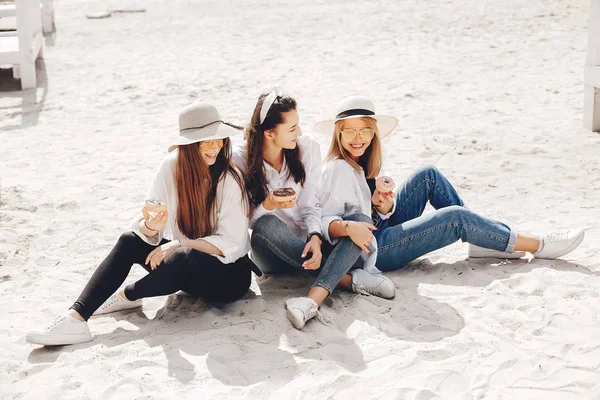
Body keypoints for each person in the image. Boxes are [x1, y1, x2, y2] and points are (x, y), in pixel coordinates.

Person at [26, 103, 254, 346]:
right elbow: (147, 224)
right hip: (184, 270)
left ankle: (128, 294)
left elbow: (232, 243)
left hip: (228, 277)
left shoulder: (230, 179)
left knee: (185, 255)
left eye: (219, 140)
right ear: (188, 144)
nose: (215, 148)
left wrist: (178, 243)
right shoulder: (171, 167)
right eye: (205, 141)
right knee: (130, 240)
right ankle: (76, 319)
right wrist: (151, 226)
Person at [313, 95, 585, 279]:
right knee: (455, 217)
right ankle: (538, 244)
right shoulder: (338, 169)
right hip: (372, 251)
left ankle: (482, 238)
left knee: (427, 174)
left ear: (374, 133)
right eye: (349, 131)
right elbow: (326, 222)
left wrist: (382, 207)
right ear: (338, 134)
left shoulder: (362, 163)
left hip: (378, 231)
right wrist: (352, 227)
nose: (358, 138)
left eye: (365, 130)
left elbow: (371, 214)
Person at [233, 89, 395, 330]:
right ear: (269, 133)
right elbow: (247, 221)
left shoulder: (306, 147)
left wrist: (316, 237)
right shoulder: (240, 159)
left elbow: (311, 204)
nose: (298, 132)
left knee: (359, 220)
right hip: (271, 250)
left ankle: (312, 300)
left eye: (298, 125)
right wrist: (269, 204)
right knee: (267, 224)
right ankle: (346, 279)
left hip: (309, 245)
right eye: (291, 129)